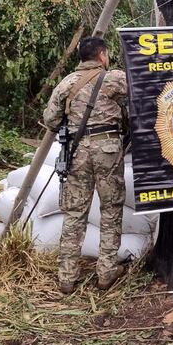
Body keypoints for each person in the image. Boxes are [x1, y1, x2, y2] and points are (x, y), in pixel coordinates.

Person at [43, 36, 128, 294]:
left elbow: (49, 119)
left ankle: (67, 277)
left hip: (78, 151)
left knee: (75, 213)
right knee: (111, 209)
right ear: (102, 55)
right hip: (108, 149)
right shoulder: (115, 78)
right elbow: (142, 97)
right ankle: (106, 272)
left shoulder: (66, 83)